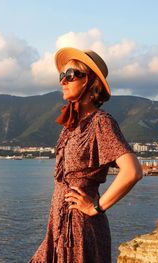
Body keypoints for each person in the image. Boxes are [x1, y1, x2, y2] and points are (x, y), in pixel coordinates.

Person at [29, 47, 143, 263]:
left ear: (90, 81)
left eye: (70, 75)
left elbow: (132, 171)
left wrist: (95, 207)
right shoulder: (71, 127)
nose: (63, 80)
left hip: (81, 229)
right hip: (59, 225)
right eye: (62, 75)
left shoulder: (101, 122)